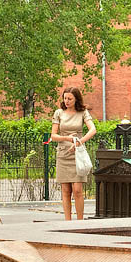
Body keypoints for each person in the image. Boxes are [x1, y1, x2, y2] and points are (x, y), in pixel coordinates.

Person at [50, 87, 97, 220]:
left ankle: (80, 221)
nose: (67, 101)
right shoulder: (59, 113)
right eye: (65, 98)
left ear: (76, 98)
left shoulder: (82, 112)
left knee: (77, 190)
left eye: (70, 98)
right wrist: (67, 138)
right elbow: (53, 136)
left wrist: (79, 142)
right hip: (63, 154)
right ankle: (67, 221)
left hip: (77, 155)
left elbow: (93, 130)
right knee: (65, 191)